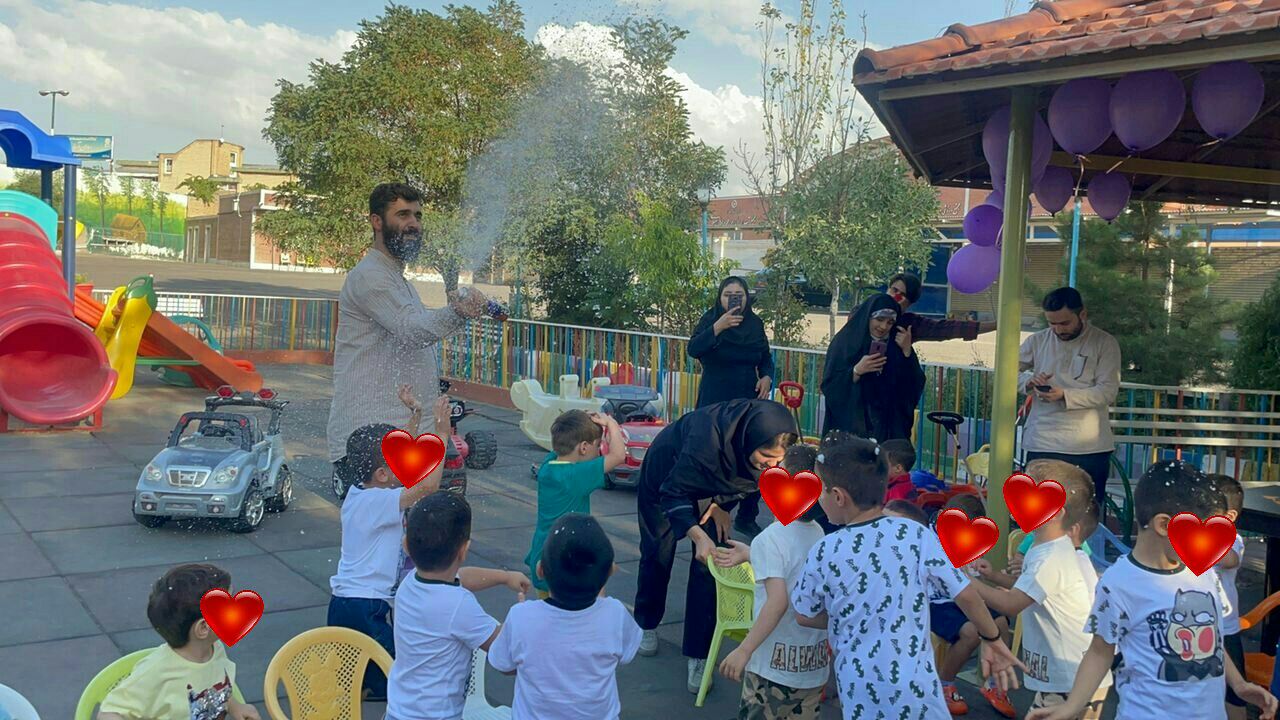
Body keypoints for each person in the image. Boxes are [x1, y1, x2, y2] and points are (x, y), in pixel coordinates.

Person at [791, 434, 1023, 719]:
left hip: (860, 689)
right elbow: (965, 593)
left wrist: (851, 615)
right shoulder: (915, 534)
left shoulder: (826, 549)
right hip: (916, 690)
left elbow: (803, 613)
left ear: (838, 496)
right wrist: (993, 638)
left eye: (821, 490)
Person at [1027, 461, 1278, 720]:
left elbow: (1211, 641)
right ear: (1164, 525)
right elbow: (1100, 651)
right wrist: (1071, 706)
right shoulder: (1120, 582)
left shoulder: (1204, 574)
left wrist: (1238, 684)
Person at [326, 182, 493, 494]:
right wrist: (458, 312)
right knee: (384, 526)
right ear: (377, 221)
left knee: (415, 525)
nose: (413, 223)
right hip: (374, 441)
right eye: (403, 214)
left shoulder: (399, 280)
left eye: (417, 215)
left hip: (403, 435)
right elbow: (412, 331)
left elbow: (414, 334)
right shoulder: (370, 277)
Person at [632, 398, 798, 695]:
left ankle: (699, 655)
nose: (771, 466)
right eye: (766, 457)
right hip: (666, 479)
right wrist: (698, 536)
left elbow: (748, 485)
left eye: (778, 460)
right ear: (748, 439)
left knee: (713, 564)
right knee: (658, 552)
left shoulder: (762, 453)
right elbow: (673, 491)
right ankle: (646, 622)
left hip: (715, 490)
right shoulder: (705, 437)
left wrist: (722, 503)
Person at [327, 389, 449, 699]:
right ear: (382, 474)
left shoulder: (363, 493)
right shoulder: (376, 502)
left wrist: (415, 416)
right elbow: (429, 486)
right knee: (397, 682)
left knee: (357, 681)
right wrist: (442, 433)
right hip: (364, 607)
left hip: (348, 603)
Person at [969, 460, 1112, 719]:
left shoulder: (1052, 557)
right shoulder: (1045, 548)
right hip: (1071, 672)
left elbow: (1013, 603)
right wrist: (995, 577)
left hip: (1071, 676)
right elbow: (1030, 589)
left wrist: (964, 582)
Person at [385, 493, 532, 720]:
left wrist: (504, 577)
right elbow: (505, 655)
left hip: (399, 712)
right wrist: (521, 617)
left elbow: (460, 576)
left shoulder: (410, 583)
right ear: (464, 550)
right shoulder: (458, 606)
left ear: (406, 545)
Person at [713, 444, 830, 720]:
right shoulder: (818, 532)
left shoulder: (771, 539)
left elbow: (777, 602)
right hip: (811, 667)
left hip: (771, 670)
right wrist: (753, 554)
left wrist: (744, 650)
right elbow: (795, 566)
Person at [490, 514, 642, 719]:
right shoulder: (615, 614)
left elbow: (504, 665)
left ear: (540, 570)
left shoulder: (522, 617)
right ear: (609, 573)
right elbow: (625, 654)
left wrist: (522, 632)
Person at [97, 563, 260, 720]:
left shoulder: (214, 648)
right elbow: (108, 713)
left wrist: (234, 706)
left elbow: (214, 687)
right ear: (204, 627)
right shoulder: (156, 672)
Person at [689, 276, 776, 538]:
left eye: (739, 294)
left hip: (747, 398)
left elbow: (765, 357)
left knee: (752, 457)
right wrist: (718, 327)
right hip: (715, 398)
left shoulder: (754, 324)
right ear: (720, 297)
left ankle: (747, 515)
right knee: (715, 455)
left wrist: (766, 376)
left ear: (747, 298)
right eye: (728, 295)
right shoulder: (711, 319)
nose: (733, 299)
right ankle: (709, 511)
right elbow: (694, 348)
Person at [1018, 287, 1122, 505]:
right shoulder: (1037, 341)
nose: (1058, 330)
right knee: (1039, 512)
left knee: (1086, 513)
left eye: (1064, 323)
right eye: (1052, 323)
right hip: (1042, 442)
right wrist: (1029, 382)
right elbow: (1005, 373)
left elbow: (1108, 391)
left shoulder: (1104, 343)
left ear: (1082, 314)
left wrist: (1065, 395)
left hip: (1088, 447)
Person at [928, 493, 1016, 717]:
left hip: (964, 596)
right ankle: (945, 684)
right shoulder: (927, 539)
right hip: (936, 601)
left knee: (1001, 623)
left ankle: (995, 684)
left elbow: (970, 577)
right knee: (970, 632)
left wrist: (978, 567)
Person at [526, 410, 626, 599]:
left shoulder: (547, 466)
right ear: (584, 447)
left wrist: (576, 421)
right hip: (567, 563)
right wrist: (611, 423)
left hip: (543, 556)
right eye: (598, 445)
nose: (599, 451)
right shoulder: (575, 475)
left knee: (550, 611)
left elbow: (563, 443)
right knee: (588, 605)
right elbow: (619, 455)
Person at [821, 293, 925, 439]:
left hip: (887, 429)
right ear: (868, 317)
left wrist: (907, 353)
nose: (883, 327)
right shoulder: (844, 343)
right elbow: (830, 386)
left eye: (890, 322)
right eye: (879, 319)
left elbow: (914, 385)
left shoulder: (896, 346)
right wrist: (856, 371)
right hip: (851, 430)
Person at [1210, 474, 1248, 720]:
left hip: (1225, 628)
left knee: (1235, 693)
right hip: (1195, 628)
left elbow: (1231, 559)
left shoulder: (1232, 539)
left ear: (1229, 517)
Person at [887, 272, 996, 340]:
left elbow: (948, 328)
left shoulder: (910, 324)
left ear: (910, 302)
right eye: (894, 290)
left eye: (903, 295)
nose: (895, 296)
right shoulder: (874, 305)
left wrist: (996, 325)